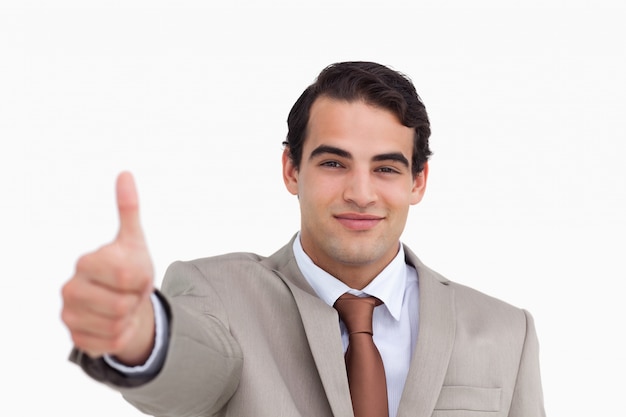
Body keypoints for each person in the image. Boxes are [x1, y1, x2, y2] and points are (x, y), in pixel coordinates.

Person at [61, 61, 546, 417]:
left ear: (418, 181)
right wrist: (142, 335)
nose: (360, 193)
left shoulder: (507, 332)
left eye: (386, 168)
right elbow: (192, 373)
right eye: (333, 163)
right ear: (292, 170)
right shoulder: (219, 295)